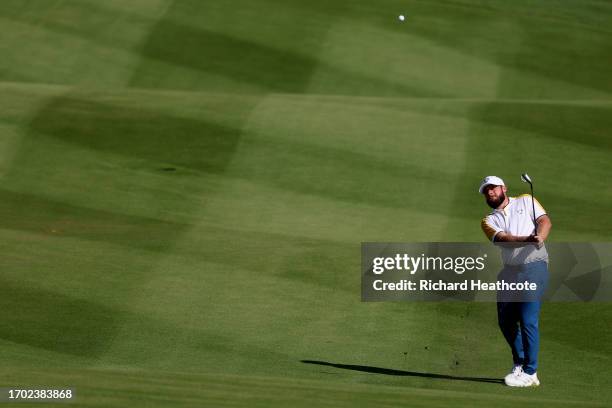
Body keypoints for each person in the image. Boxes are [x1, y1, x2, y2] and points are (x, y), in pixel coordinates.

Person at [478, 176, 552, 387]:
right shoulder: (488, 221)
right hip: (510, 272)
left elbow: (544, 221)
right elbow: (502, 239)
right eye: (486, 191)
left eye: (493, 188)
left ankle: (531, 372)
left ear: (504, 188)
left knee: (527, 318)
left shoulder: (526, 200)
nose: (490, 192)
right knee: (505, 320)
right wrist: (527, 239)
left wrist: (540, 236)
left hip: (535, 266)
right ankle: (520, 363)